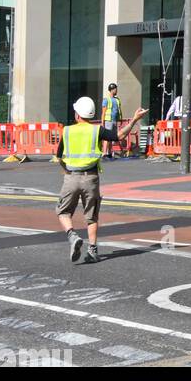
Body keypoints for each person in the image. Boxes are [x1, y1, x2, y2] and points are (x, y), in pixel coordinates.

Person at [57, 96, 148, 264]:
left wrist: (66, 172)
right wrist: (134, 119)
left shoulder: (67, 131)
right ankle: (92, 250)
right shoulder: (96, 130)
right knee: (91, 216)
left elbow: (59, 156)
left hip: (71, 177)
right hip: (91, 178)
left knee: (63, 212)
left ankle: (72, 236)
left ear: (77, 114)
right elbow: (119, 135)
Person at [101, 83, 122, 158]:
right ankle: (104, 153)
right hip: (108, 121)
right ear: (112, 89)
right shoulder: (106, 100)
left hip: (114, 121)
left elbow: (119, 110)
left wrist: (120, 120)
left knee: (111, 137)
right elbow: (103, 112)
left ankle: (109, 152)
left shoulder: (117, 100)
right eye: (115, 89)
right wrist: (102, 123)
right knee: (107, 138)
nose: (116, 90)